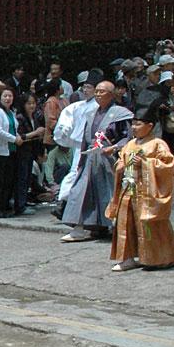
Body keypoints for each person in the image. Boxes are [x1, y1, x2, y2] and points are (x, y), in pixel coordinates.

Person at [106, 102, 174, 272]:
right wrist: (120, 165)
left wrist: (146, 163)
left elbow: (167, 165)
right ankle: (128, 257)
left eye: (138, 124)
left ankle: (158, 258)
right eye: (133, 124)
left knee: (149, 225)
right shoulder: (130, 144)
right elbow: (121, 161)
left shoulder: (158, 144)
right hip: (128, 189)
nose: (134, 127)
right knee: (125, 224)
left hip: (148, 192)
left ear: (150, 126)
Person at [60, 81, 133, 242]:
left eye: (102, 91)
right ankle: (79, 228)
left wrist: (114, 147)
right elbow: (86, 138)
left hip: (109, 158)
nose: (98, 94)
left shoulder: (121, 113)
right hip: (90, 157)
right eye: (97, 91)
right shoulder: (91, 113)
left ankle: (115, 227)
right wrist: (81, 159)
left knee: (109, 193)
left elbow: (128, 137)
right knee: (80, 192)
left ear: (111, 94)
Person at [0, 88, 23, 217]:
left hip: (12, 151)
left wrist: (17, 137)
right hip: (1, 151)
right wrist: (15, 139)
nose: (8, 98)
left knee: (8, 181)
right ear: (0, 97)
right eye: (5, 96)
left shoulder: (11, 112)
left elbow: (14, 129)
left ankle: (4, 206)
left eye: (10, 96)